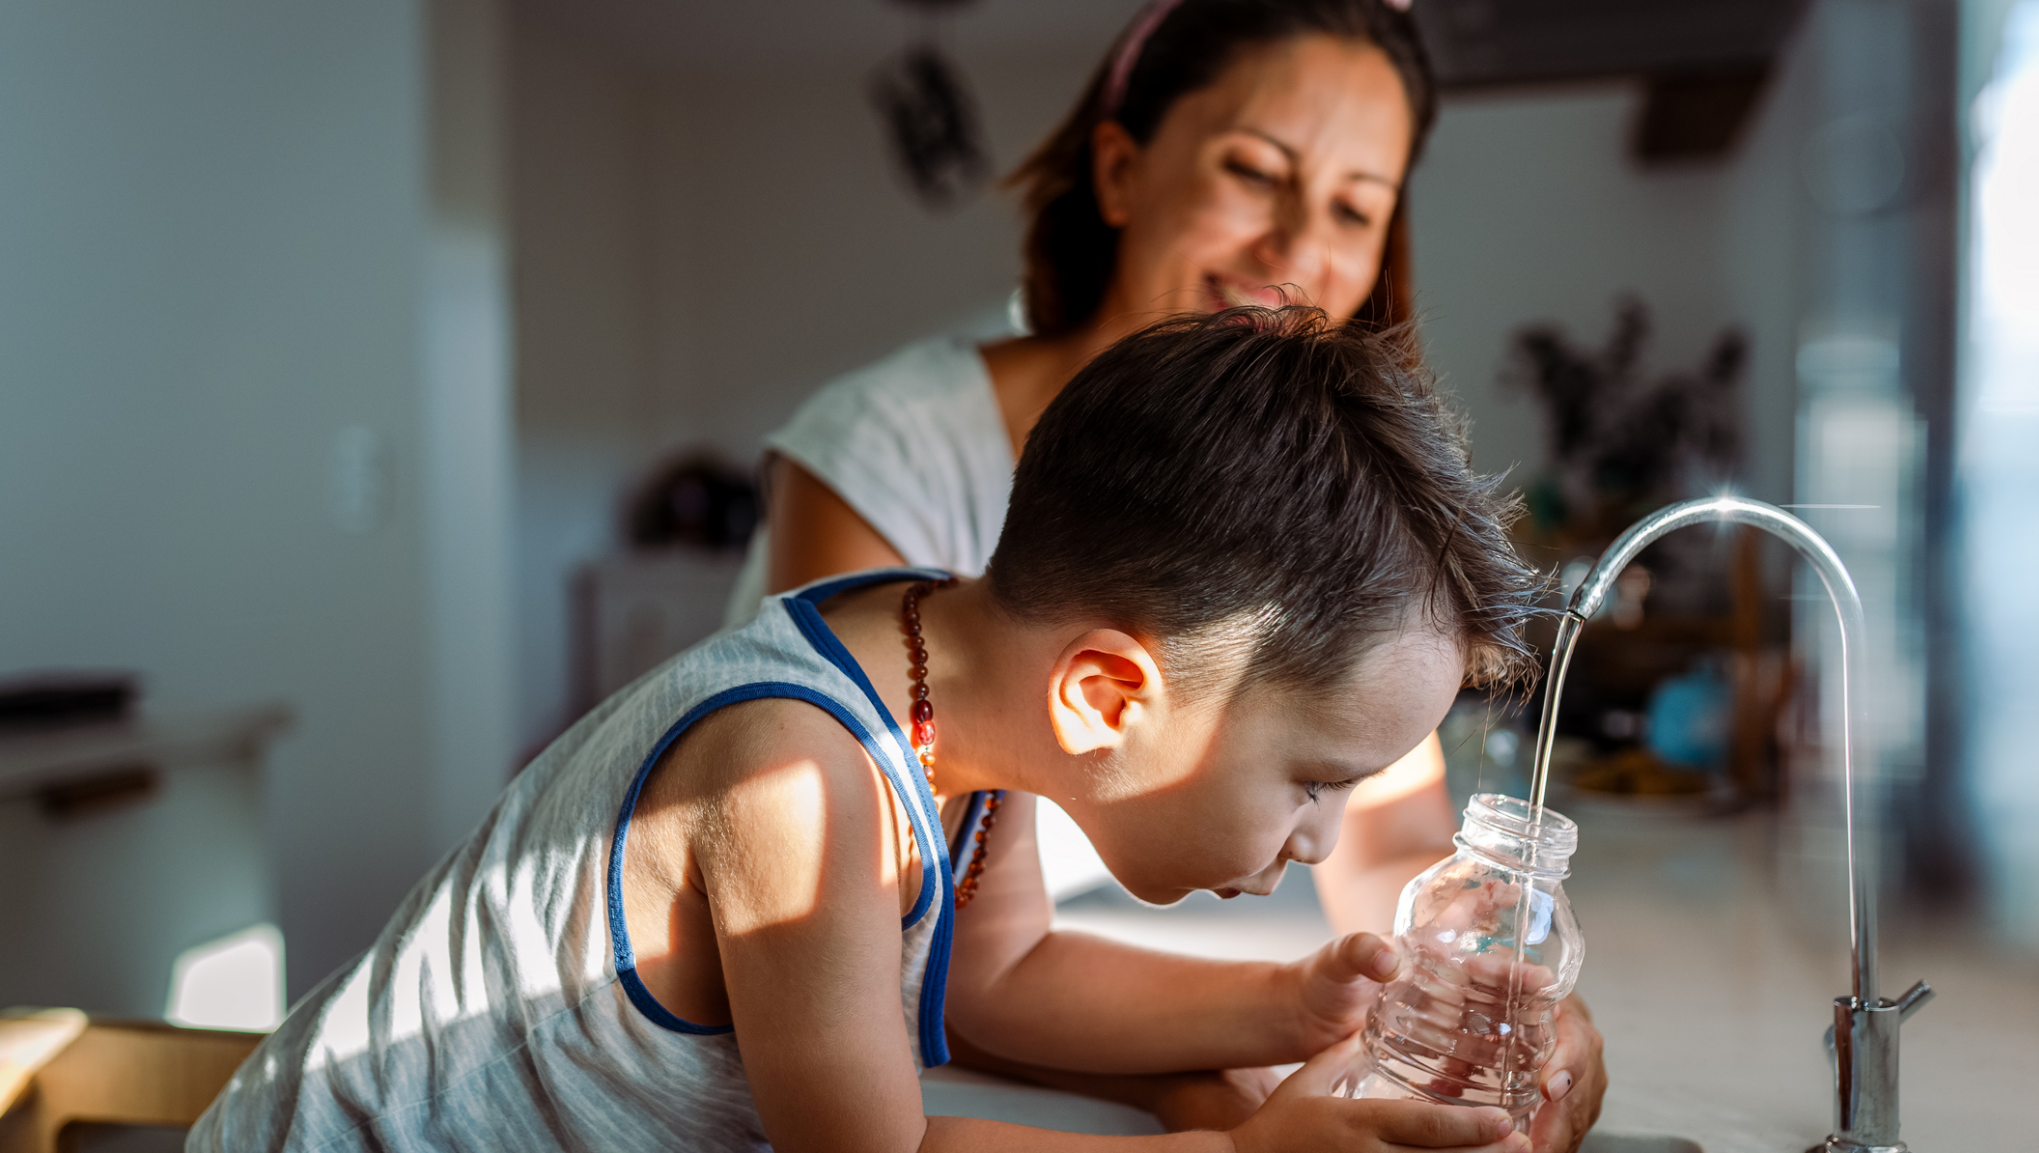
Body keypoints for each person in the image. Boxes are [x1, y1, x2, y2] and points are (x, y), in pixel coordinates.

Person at [193, 308, 1565, 1153]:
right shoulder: (794, 780)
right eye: (1312, 781)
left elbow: (999, 976)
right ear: (1108, 698)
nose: (1322, 833)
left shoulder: (958, 685)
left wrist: (1287, 999)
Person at [731, 1, 1605, 1143]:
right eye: (1254, 171)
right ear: (1119, 169)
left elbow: (1383, 833)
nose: (1295, 250)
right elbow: (896, 970)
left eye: (1352, 206)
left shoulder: (1299, 500)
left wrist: (1468, 976)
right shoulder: (881, 497)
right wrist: (1203, 1102)